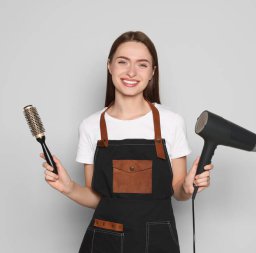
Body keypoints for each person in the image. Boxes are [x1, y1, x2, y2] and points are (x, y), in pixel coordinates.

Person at [41, 31, 213, 253]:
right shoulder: (91, 126)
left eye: (142, 64)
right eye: (123, 62)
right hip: (105, 239)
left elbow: (177, 191)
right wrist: (69, 188)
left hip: (158, 242)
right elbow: (98, 199)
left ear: (152, 72)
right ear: (109, 66)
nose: (131, 72)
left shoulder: (171, 122)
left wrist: (188, 188)